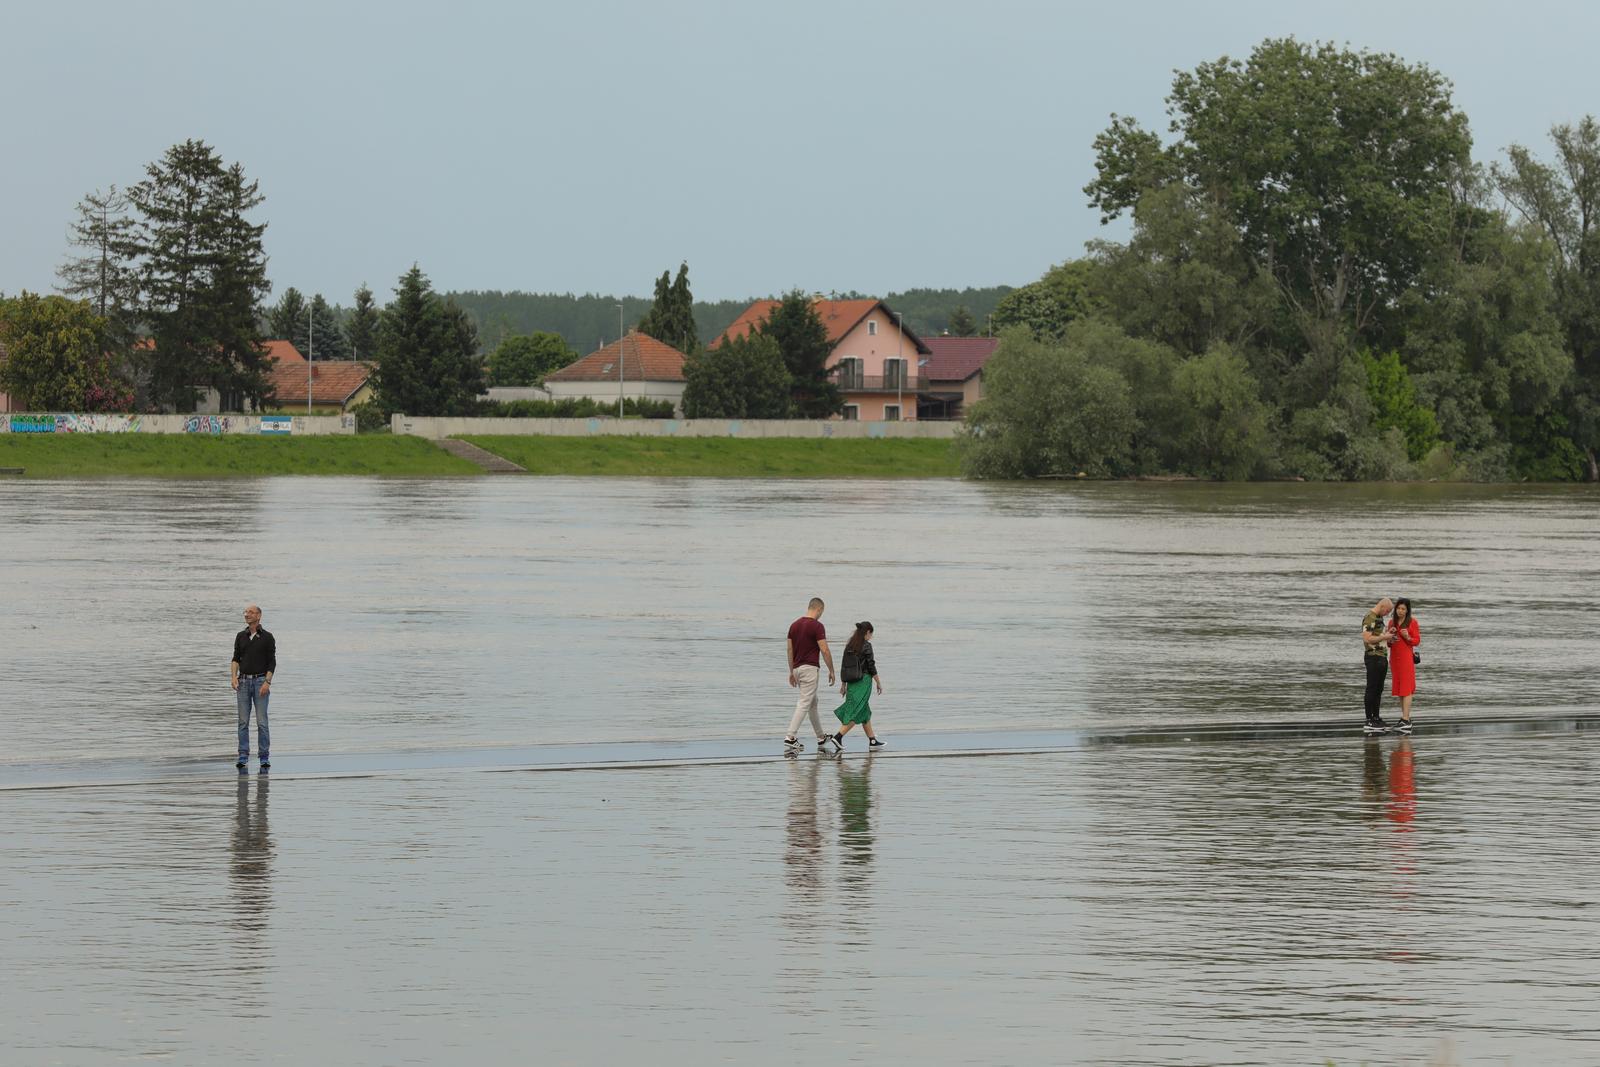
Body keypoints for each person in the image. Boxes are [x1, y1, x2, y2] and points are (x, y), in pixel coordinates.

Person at [784, 597, 836, 751]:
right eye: (822, 612)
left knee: (813, 702)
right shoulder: (817, 626)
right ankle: (790, 737)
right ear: (819, 609)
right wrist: (832, 670)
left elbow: (789, 649)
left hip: (797, 668)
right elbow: (824, 649)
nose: (821, 615)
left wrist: (791, 671)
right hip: (810, 669)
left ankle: (821, 737)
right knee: (804, 702)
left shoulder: (794, 625)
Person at [231, 604, 276, 769]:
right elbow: (235, 658)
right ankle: (243, 755)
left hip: (260, 682)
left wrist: (267, 682)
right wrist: (233, 677)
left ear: (259, 616)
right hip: (243, 682)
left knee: (262, 722)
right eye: (246, 612)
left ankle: (264, 756)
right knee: (243, 722)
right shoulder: (240, 636)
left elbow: (272, 662)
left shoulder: (267, 637)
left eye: (250, 612)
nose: (247, 615)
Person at [827, 621, 885, 751]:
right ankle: (838, 736)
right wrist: (878, 681)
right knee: (857, 711)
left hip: (852, 682)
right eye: (871, 634)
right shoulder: (867, 646)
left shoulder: (849, 646)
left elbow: (844, 666)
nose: (871, 637)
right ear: (867, 632)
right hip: (863, 681)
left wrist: (843, 684)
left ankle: (872, 740)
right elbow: (871, 665)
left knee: (864, 711)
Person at [1361, 596, 1395, 734]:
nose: (1387, 614)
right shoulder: (1370, 617)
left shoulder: (1380, 618)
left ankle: (1376, 717)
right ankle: (1369, 719)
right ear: (1382, 607)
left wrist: (1388, 634)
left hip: (1382, 657)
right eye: (1387, 611)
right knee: (1371, 688)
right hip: (1372, 657)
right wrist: (1384, 637)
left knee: (1379, 689)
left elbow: (1379, 635)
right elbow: (1367, 638)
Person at [1387, 597, 1421, 733]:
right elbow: (1388, 643)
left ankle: (1406, 719)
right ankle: (1404, 718)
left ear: (1407, 611)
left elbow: (1417, 641)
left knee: (1406, 688)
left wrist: (1407, 637)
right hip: (1395, 659)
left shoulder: (1412, 622)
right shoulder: (1391, 622)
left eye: (1403, 609)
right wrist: (1390, 637)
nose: (1400, 611)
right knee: (1400, 688)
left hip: (1406, 658)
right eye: (1398, 608)